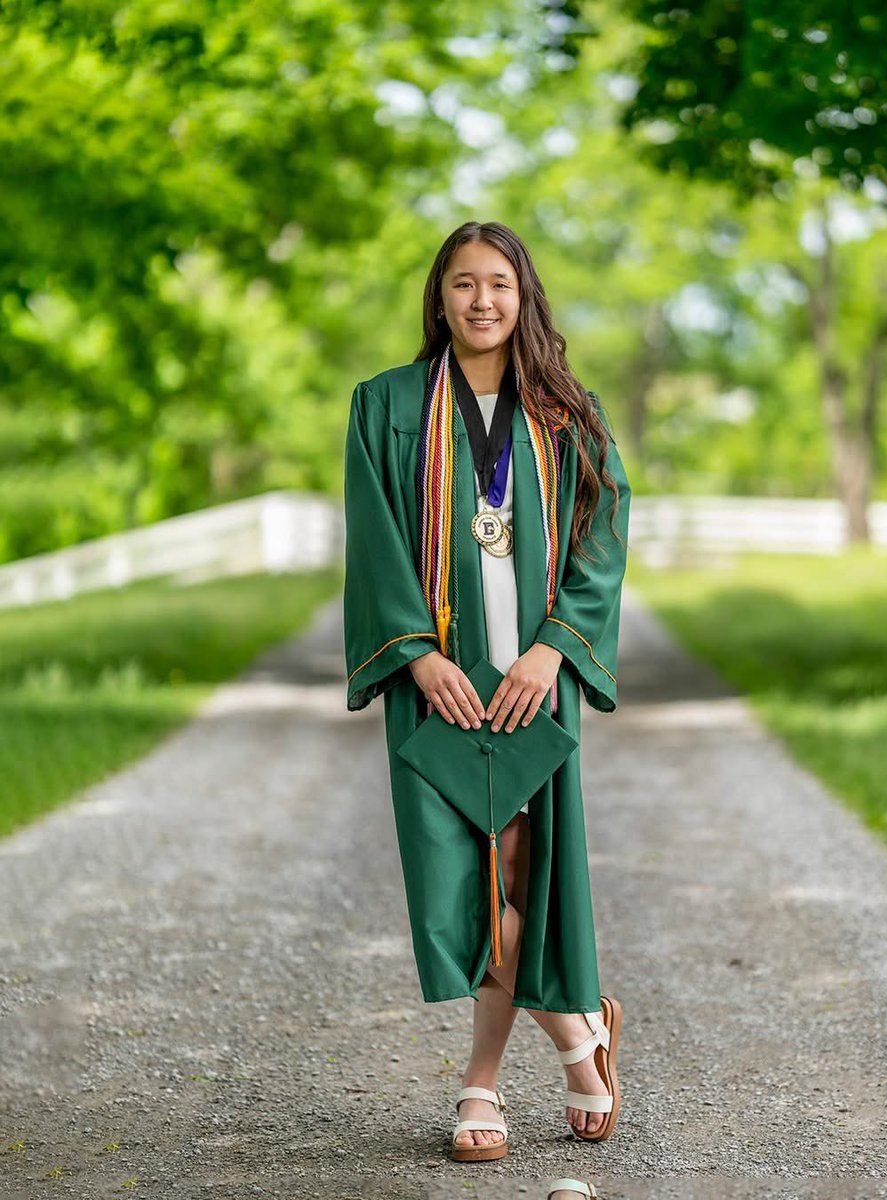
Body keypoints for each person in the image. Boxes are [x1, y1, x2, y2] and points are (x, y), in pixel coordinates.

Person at [342, 221, 631, 1173]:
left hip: (528, 684)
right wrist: (415, 655)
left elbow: (603, 529)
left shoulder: (563, 411)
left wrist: (555, 650)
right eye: (462, 284)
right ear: (439, 298)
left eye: (498, 283)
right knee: (459, 888)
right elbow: (377, 536)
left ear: (523, 296)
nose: (481, 301)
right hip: (442, 685)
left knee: (518, 872)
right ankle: (582, 1036)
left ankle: (483, 1081)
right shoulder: (385, 406)